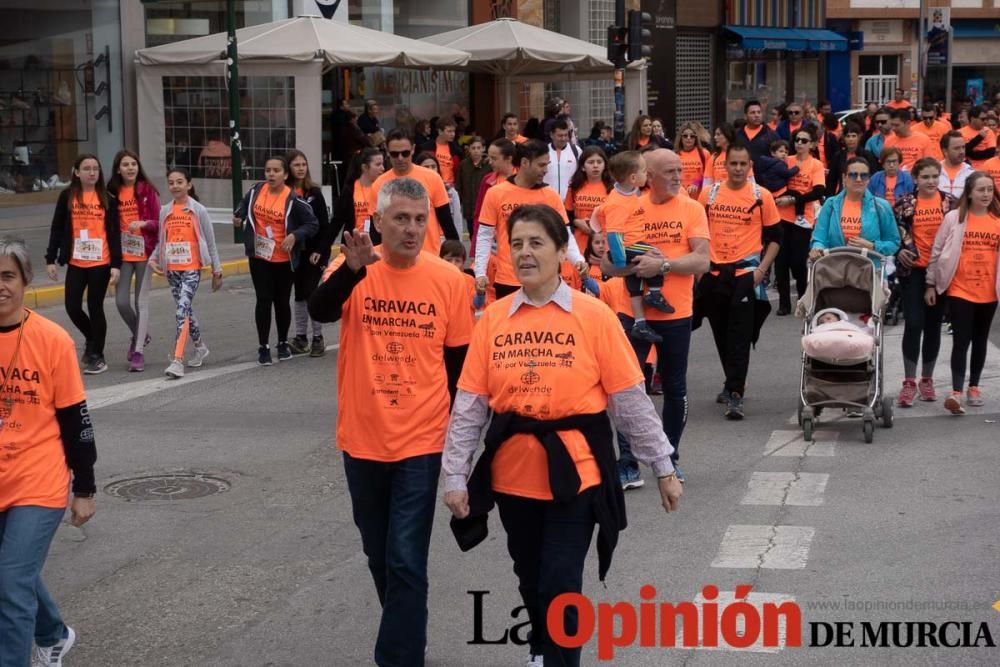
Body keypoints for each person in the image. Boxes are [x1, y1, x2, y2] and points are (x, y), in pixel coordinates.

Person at [442, 204, 682, 667]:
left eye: (536, 243)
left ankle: (558, 660)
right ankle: (540, 650)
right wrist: (454, 475)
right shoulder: (492, 319)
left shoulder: (593, 317)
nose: (524, 253)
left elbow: (629, 400)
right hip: (512, 478)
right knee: (530, 578)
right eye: (516, 244)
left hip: (576, 476)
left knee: (560, 582)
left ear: (559, 252)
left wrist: (663, 466)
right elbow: (470, 405)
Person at [308, 178, 472, 667]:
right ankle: (408, 637)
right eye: (401, 218)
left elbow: (461, 370)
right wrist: (351, 273)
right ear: (378, 222)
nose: (413, 229)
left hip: (421, 440)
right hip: (361, 439)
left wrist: (461, 449)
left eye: (420, 219)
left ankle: (398, 659)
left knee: (405, 557)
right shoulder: (354, 269)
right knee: (380, 556)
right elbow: (318, 309)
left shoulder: (448, 280)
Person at [0, 237, 97, 667]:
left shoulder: (52, 340)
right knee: (11, 574)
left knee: (9, 581)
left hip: (39, 479)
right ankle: (53, 634)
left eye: (7, 276)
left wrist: (86, 488)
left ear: (25, 281)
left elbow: (76, 421)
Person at [601, 149, 710, 486]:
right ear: (648, 175)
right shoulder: (631, 208)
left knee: (675, 388)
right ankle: (628, 462)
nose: (679, 177)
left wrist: (663, 266)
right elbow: (607, 265)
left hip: (676, 312)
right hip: (631, 312)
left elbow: (702, 261)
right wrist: (635, 266)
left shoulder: (691, 208)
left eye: (680, 170)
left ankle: (669, 458)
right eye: (670, 172)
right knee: (628, 388)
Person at [697, 144, 781, 419]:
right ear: (724, 166)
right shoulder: (708, 194)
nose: (737, 169)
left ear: (750, 167)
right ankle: (731, 381)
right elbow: (696, 234)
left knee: (740, 336)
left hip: (746, 274)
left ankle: (736, 394)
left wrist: (762, 270)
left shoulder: (762, 196)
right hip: (714, 274)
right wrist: (699, 268)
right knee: (721, 333)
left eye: (742, 164)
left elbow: (776, 239)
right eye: (733, 164)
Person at [924, 171, 1000, 414]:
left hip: (989, 290)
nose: (986, 194)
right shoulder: (954, 218)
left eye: (989, 189)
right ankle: (956, 391)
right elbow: (936, 251)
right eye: (981, 190)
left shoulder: (998, 219)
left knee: (980, 340)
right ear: (969, 192)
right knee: (961, 339)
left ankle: (974, 387)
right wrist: (930, 283)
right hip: (959, 288)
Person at [233, 155, 319, 366]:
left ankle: (281, 343)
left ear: (285, 175)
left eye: (276, 171)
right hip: (260, 255)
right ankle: (264, 346)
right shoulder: (256, 191)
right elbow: (244, 205)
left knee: (281, 302)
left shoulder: (293, 199)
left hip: (282, 258)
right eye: (268, 170)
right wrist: (239, 215)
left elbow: (312, 224)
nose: (271, 174)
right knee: (263, 299)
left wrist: (295, 235)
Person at [475, 139, 585, 299]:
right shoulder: (495, 193)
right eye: (541, 165)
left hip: (545, 279)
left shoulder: (551, 195)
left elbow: (565, 234)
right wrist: (480, 272)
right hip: (508, 279)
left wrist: (577, 260)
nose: (546, 170)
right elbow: (485, 236)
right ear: (525, 163)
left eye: (547, 164)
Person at [44, 153, 121, 374]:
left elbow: (114, 234)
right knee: (72, 307)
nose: (92, 172)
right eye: (86, 168)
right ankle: (92, 338)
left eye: (95, 168)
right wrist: (50, 259)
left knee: (95, 307)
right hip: (77, 261)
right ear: (77, 172)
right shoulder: (67, 196)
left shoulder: (107, 198)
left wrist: (116, 264)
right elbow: (57, 228)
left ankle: (97, 355)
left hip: (101, 262)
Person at [147, 169, 222, 378]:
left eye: (180, 182)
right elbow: (162, 240)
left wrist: (218, 271)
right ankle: (200, 347)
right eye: (171, 183)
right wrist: (153, 259)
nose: (175, 186)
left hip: (191, 268)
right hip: (172, 270)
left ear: (189, 184)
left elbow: (211, 243)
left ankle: (177, 360)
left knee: (181, 311)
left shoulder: (198, 210)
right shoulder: (164, 211)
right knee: (187, 312)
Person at [892, 157, 954, 406]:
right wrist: (899, 251)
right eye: (925, 177)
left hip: (940, 271)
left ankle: (926, 380)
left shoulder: (951, 203)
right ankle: (909, 382)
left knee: (932, 325)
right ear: (915, 179)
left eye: (934, 176)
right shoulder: (905, 204)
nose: (930, 181)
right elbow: (894, 232)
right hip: (913, 272)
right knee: (914, 324)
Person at [600, 150, 675, 340]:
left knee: (635, 287)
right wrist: (620, 261)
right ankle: (655, 293)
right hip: (627, 246)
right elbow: (614, 234)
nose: (647, 173)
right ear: (633, 178)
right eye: (644, 171)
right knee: (656, 254)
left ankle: (639, 324)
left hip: (632, 245)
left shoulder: (629, 193)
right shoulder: (617, 203)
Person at [106, 149, 160, 372]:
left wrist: (144, 224)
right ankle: (141, 333)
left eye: (134, 164)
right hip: (123, 255)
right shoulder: (111, 192)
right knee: (121, 302)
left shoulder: (148, 190)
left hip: (145, 253)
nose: (130, 168)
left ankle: (137, 351)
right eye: (126, 165)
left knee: (141, 302)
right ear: (118, 169)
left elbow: (159, 222)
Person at [369, 129, 459, 255]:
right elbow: (375, 230)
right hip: (393, 259)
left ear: (413, 149)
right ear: (387, 151)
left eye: (405, 153)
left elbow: (447, 222)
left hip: (429, 257)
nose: (400, 158)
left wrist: (455, 255)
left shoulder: (432, 178)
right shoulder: (378, 185)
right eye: (395, 154)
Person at [773, 126, 826, 315]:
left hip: (803, 219)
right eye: (797, 140)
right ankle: (784, 303)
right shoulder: (786, 161)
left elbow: (819, 191)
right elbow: (775, 181)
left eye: (804, 141)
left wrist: (794, 199)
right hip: (781, 216)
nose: (799, 144)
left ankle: (804, 299)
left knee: (798, 262)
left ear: (812, 144)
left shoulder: (815, 165)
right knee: (780, 262)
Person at [286, 149, 332, 357]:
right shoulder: (285, 194)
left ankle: (318, 338)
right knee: (299, 294)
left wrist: (321, 251)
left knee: (312, 292)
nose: (301, 168)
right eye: (296, 165)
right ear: (288, 168)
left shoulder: (315, 194)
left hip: (314, 252)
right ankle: (301, 336)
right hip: (295, 253)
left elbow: (325, 226)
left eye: (303, 164)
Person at [810, 157, 901, 263]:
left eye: (863, 175)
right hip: (834, 271)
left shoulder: (881, 206)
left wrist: (872, 246)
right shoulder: (830, 204)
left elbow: (894, 243)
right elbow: (819, 238)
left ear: (868, 179)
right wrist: (817, 248)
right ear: (844, 178)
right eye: (853, 175)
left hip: (869, 272)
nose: (858, 179)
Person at [469, 138, 516, 259]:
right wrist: (476, 248)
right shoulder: (488, 181)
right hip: (493, 244)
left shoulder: (524, 179)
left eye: (494, 158)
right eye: (489, 157)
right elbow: (479, 215)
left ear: (509, 158)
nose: (490, 162)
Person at [332, 147, 385, 246]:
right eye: (378, 164)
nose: (383, 168)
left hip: (377, 244)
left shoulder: (385, 188)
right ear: (364, 167)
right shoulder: (350, 189)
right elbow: (337, 220)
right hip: (354, 244)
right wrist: (321, 249)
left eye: (382, 164)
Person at [564, 145, 612, 251]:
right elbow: (567, 215)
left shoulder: (612, 188)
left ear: (604, 165)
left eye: (599, 162)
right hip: (579, 243)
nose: (595, 166)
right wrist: (577, 222)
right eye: (591, 162)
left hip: (604, 243)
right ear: (582, 167)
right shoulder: (575, 187)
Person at [415, 152, 463, 235]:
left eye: (433, 166)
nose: (430, 170)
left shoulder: (450, 191)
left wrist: (457, 242)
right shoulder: (411, 192)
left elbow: (457, 220)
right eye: (426, 167)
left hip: (444, 237)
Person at [456, 136, 489, 236]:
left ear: (483, 149)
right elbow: (459, 184)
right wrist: (459, 202)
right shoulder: (464, 165)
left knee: (483, 232)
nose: (476, 151)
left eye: (478, 148)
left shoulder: (489, 165)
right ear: (469, 149)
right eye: (473, 148)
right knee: (472, 232)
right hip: (468, 205)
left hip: (484, 205)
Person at [737, 99, 781, 170]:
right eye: (753, 113)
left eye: (759, 112)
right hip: (742, 177)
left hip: (764, 179)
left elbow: (779, 159)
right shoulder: (737, 134)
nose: (757, 115)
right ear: (745, 116)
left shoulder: (772, 135)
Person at [543, 118, 580, 200]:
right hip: (547, 201)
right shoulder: (543, 151)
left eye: (565, 135)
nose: (563, 139)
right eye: (560, 135)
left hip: (569, 202)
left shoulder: (576, 151)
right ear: (551, 135)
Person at [419, 118, 462, 188]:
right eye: (449, 131)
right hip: (432, 185)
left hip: (451, 187)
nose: (453, 134)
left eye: (454, 131)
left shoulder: (456, 149)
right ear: (440, 131)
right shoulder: (427, 147)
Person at [675, 122, 711, 197]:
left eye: (692, 136)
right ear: (680, 138)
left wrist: (697, 182)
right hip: (680, 197)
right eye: (685, 136)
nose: (689, 138)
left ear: (696, 138)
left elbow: (708, 177)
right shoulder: (674, 155)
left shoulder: (704, 154)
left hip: (699, 198)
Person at [939, 131, 975, 199]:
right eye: (957, 148)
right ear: (945, 151)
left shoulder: (971, 174)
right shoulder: (935, 171)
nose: (961, 151)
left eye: (963, 147)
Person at [703, 122, 738, 191]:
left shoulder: (740, 155)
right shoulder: (714, 157)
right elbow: (707, 183)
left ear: (727, 135)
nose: (715, 137)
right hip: (718, 197)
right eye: (715, 134)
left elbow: (749, 179)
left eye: (718, 134)